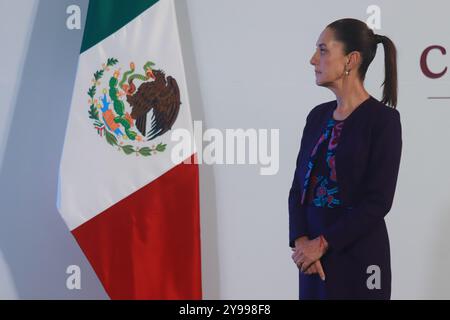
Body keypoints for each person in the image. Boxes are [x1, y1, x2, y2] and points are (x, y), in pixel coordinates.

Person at [288, 18, 402, 299]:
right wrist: (303, 243)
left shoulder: (383, 120)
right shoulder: (317, 116)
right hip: (313, 262)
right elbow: (298, 190)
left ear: (351, 60)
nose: (313, 59)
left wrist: (323, 243)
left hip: (357, 256)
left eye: (323, 50)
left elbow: (378, 202)